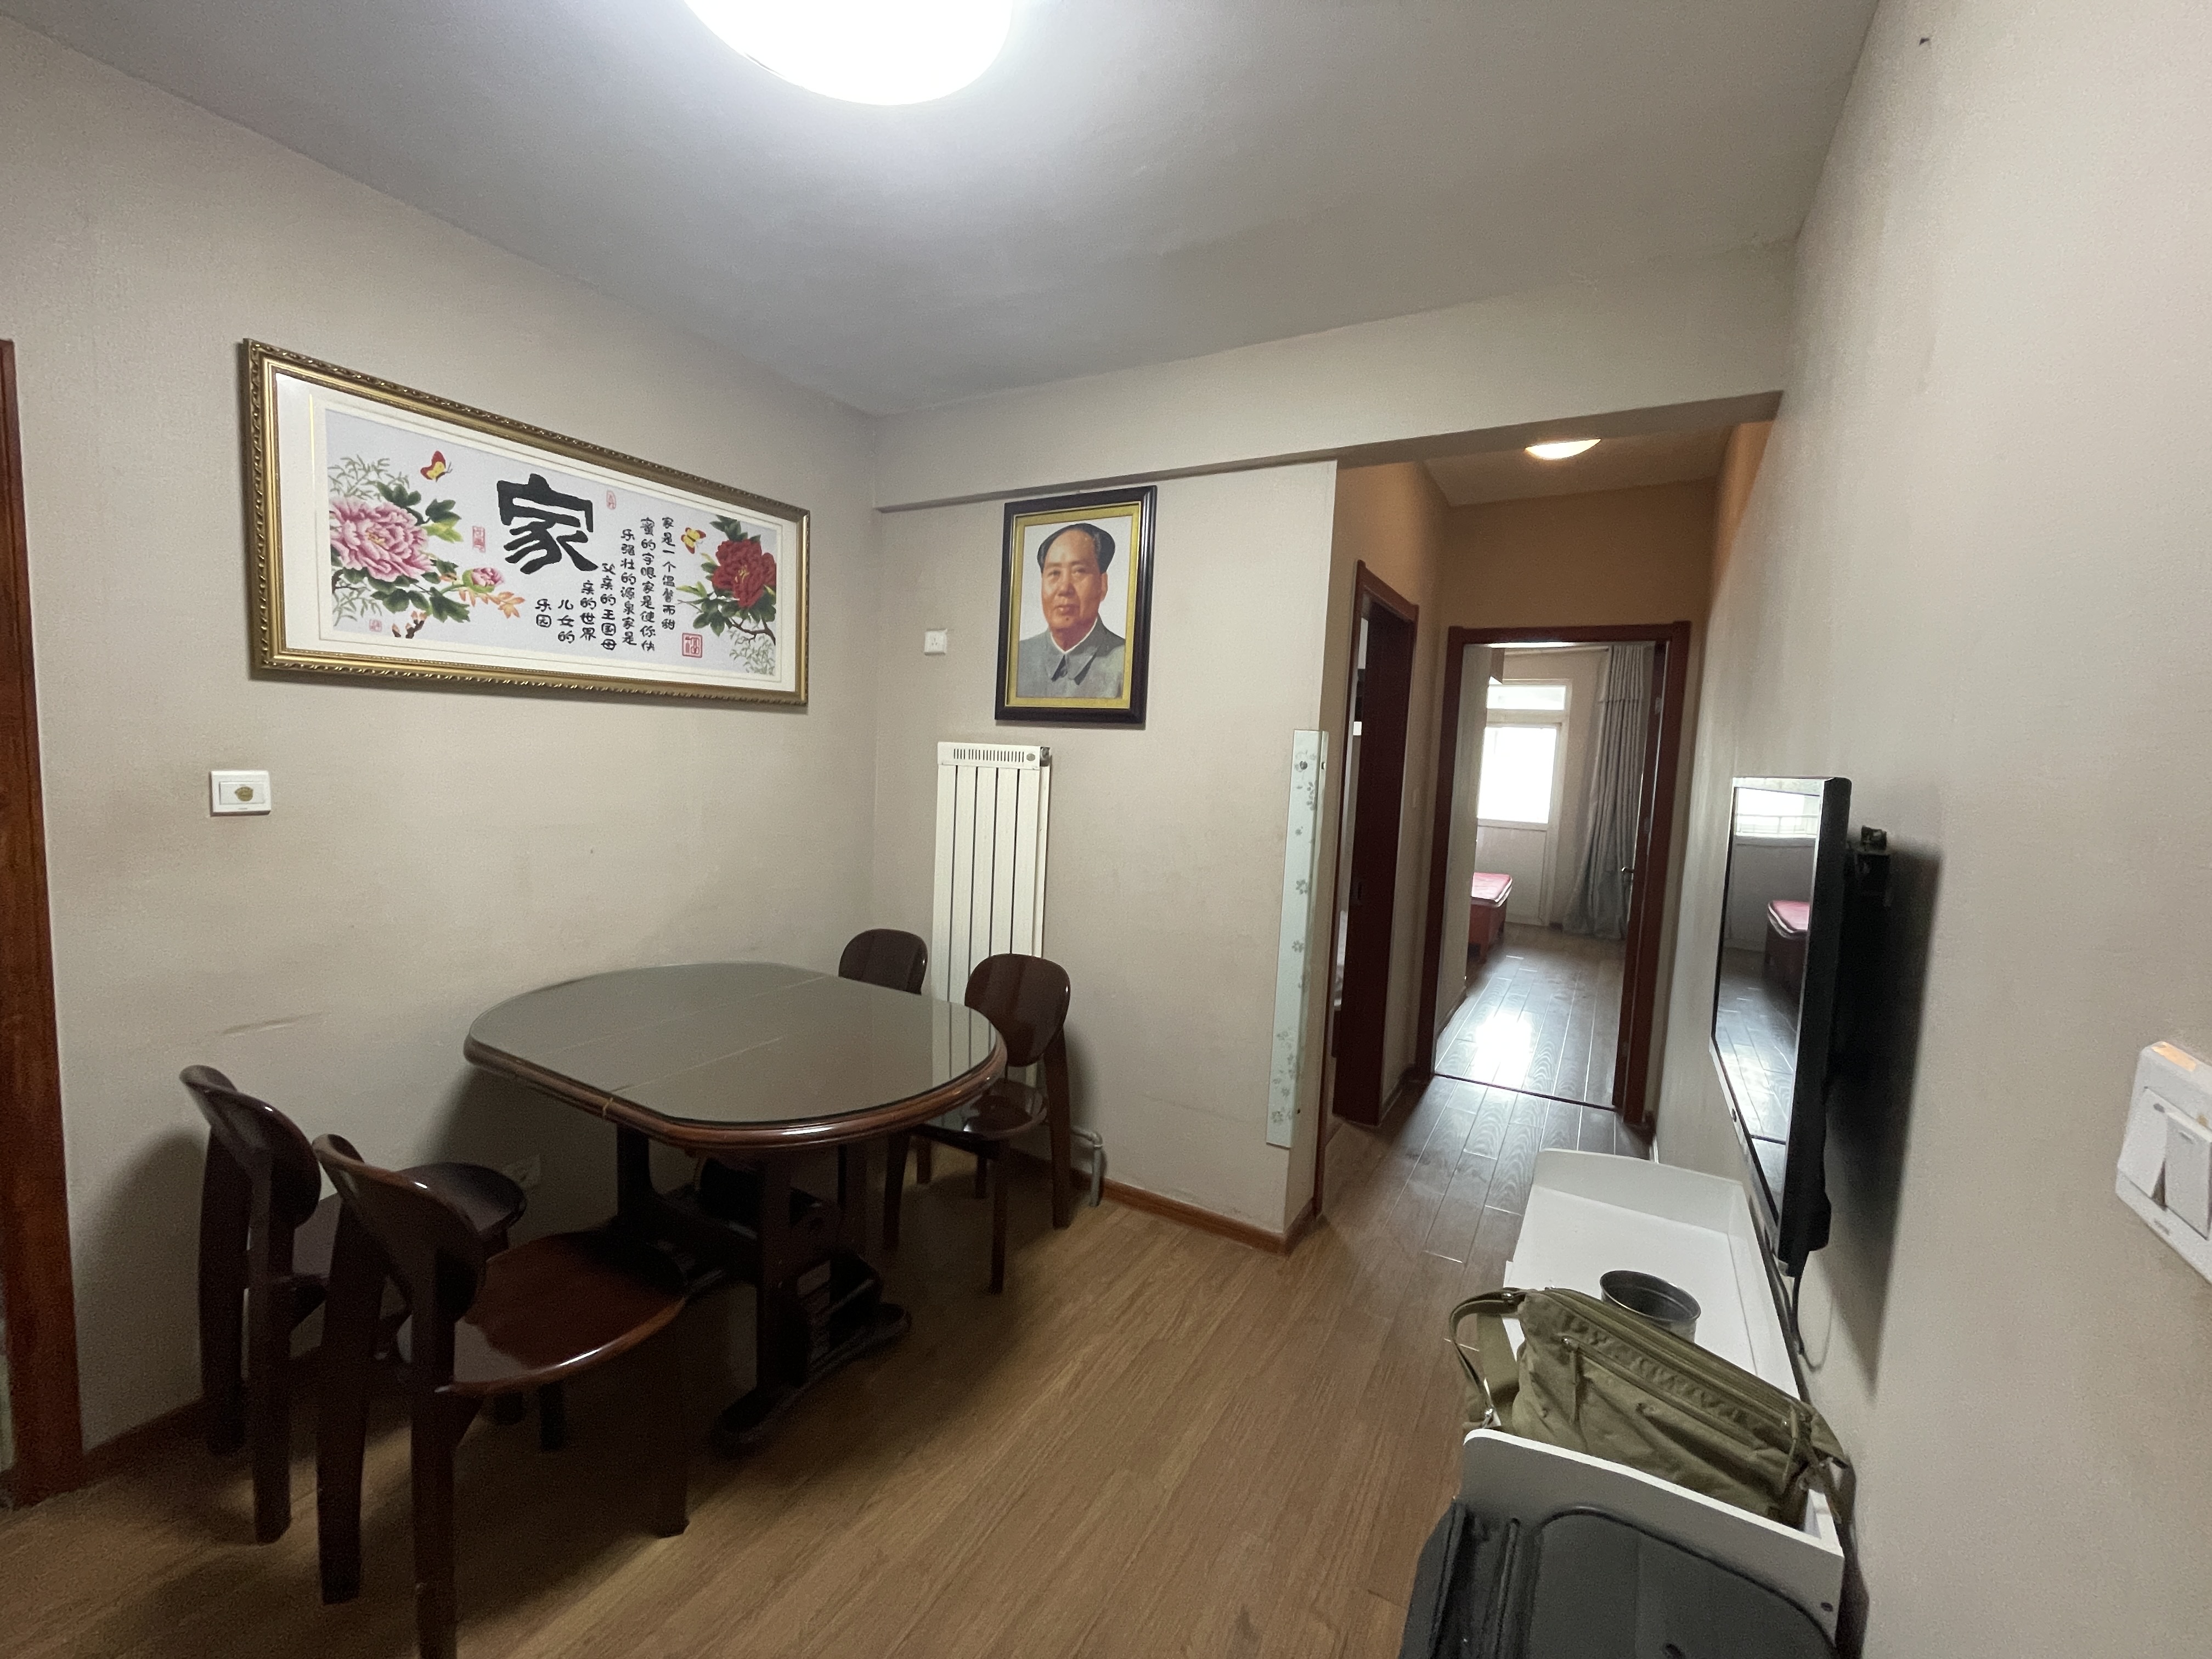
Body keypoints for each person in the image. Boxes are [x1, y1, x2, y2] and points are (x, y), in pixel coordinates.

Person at [1015, 522, 1125, 698]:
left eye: (1079, 572)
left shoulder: (1126, 662)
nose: (1064, 588)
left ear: (1103, 585)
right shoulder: (1017, 658)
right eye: (1055, 573)